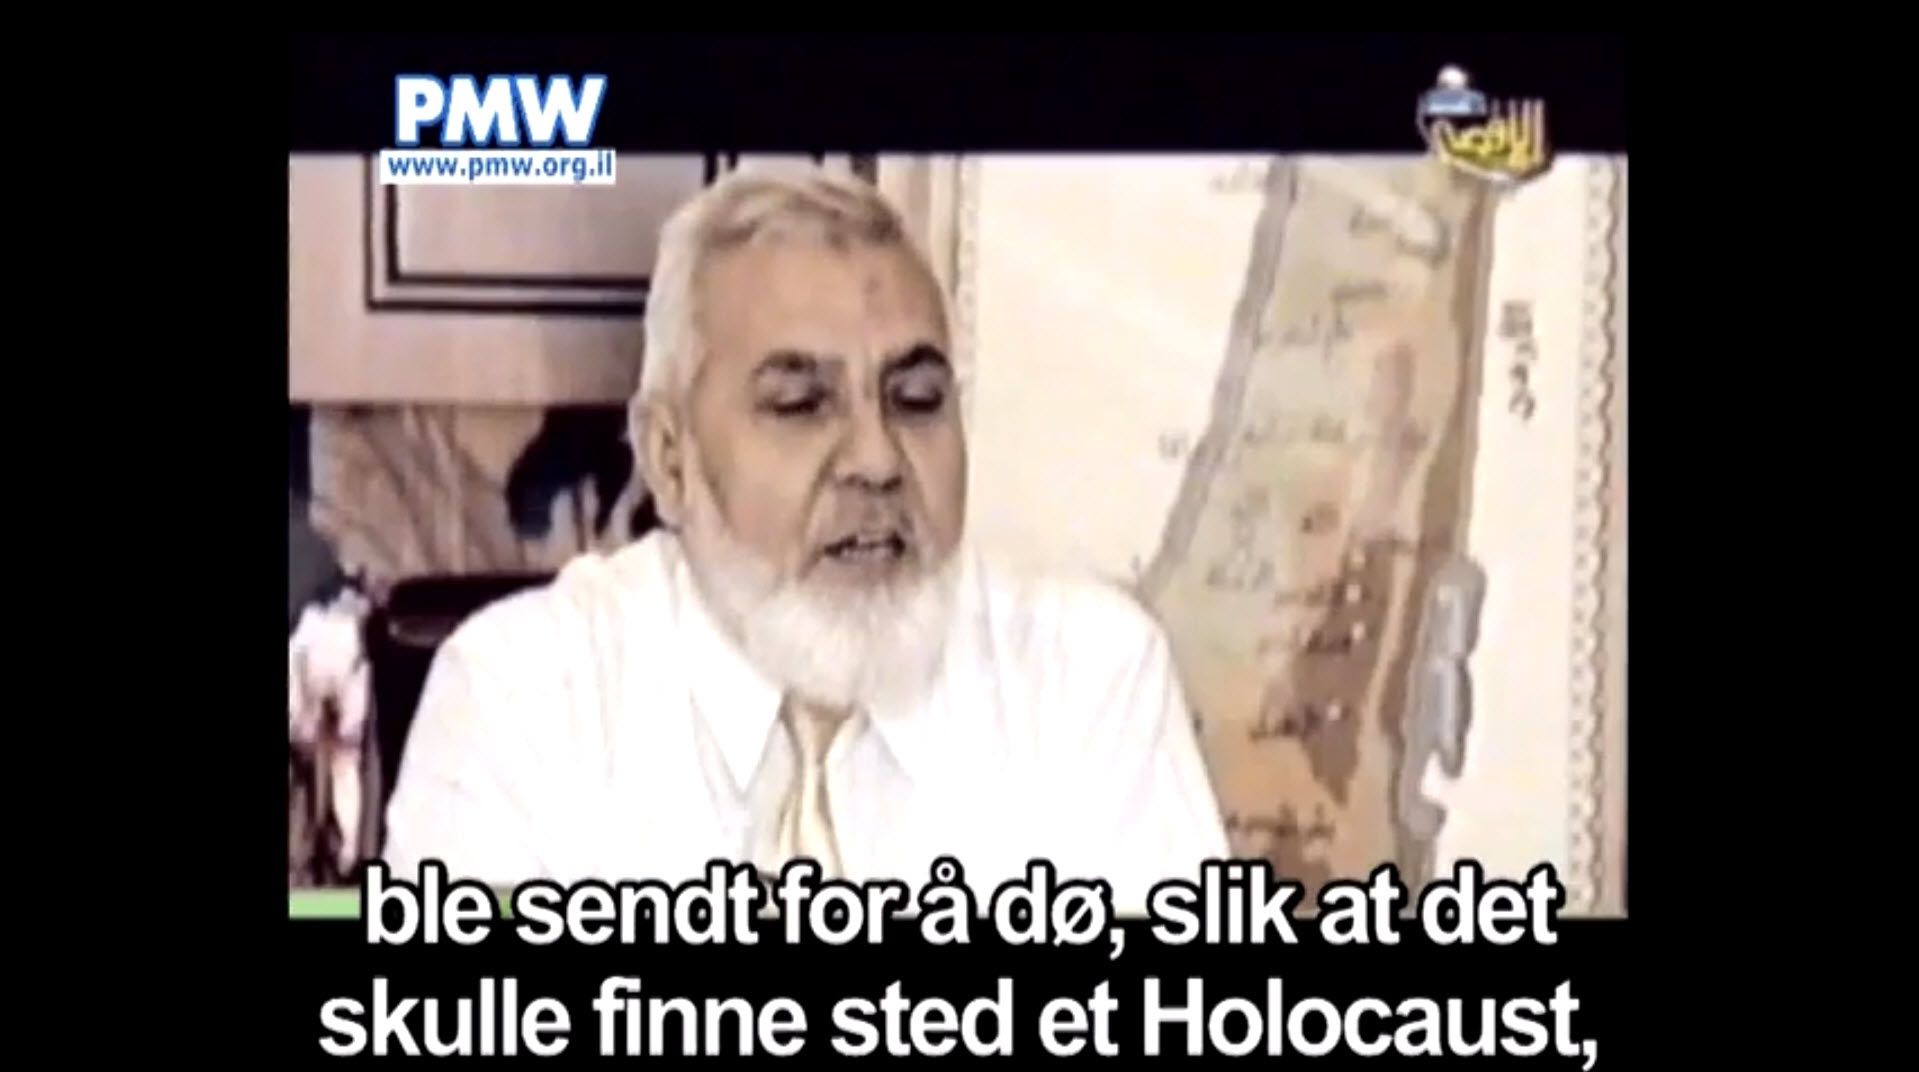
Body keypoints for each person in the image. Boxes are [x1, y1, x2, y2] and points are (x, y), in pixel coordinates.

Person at [382, 166, 1229, 909]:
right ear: (670, 460)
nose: (877, 460)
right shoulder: (520, 699)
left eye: (916, 400)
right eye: (799, 405)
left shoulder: (1090, 681)